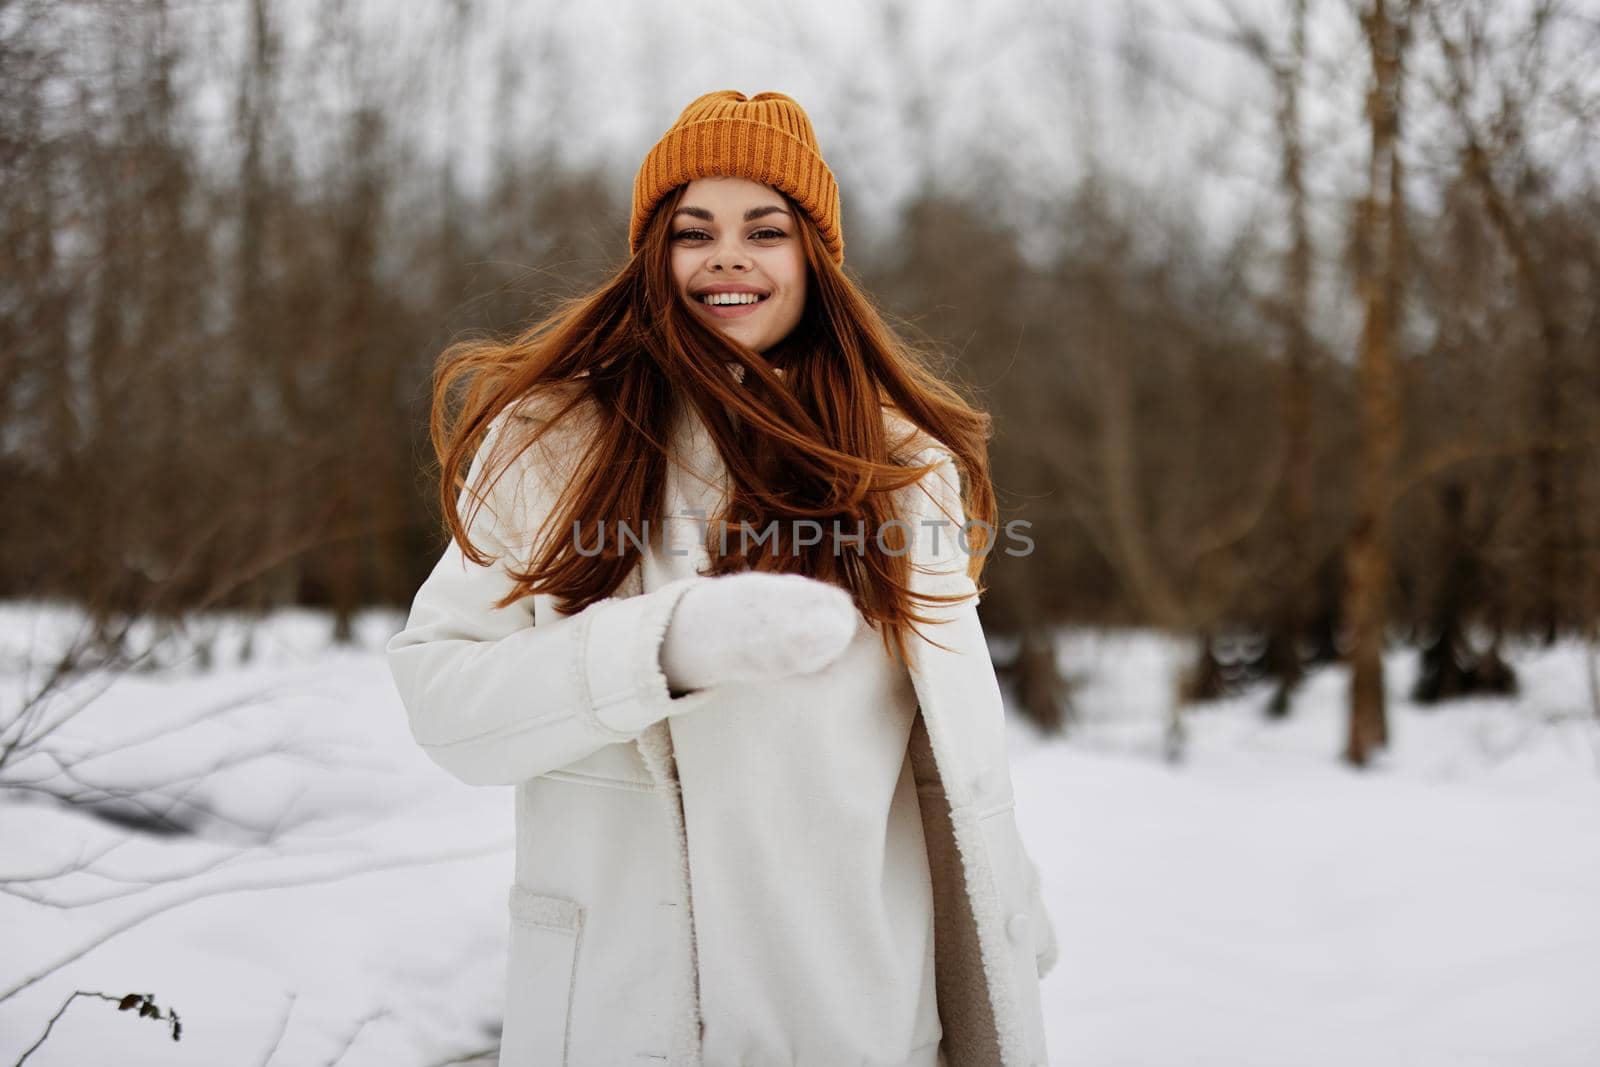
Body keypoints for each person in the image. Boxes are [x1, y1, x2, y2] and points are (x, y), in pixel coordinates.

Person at [387, 89, 1056, 1067]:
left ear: (813, 260)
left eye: (765, 229)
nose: (727, 255)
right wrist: (664, 649)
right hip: (636, 1013)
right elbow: (446, 705)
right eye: (691, 229)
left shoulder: (905, 463)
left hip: (869, 1012)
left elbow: (945, 745)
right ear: (653, 258)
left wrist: (1007, 901)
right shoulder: (548, 442)